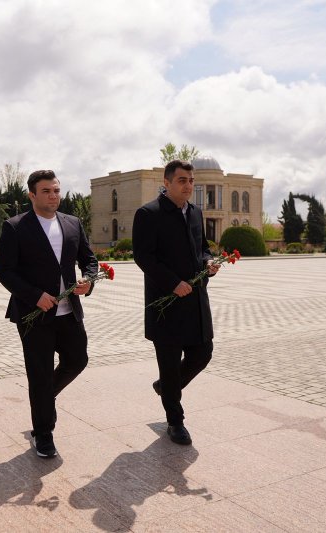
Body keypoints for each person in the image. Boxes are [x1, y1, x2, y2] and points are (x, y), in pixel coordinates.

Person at [0, 169, 98, 459]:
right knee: (39, 374)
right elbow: (4, 271)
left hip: (69, 311)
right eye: (46, 191)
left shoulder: (73, 223)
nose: (53, 196)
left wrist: (88, 281)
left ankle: (43, 397)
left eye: (56, 190)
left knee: (77, 360)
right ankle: (43, 433)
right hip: (34, 315)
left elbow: (89, 260)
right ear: (32, 195)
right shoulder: (15, 226)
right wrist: (34, 295)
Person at [132, 160, 221, 446]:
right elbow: (143, 257)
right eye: (182, 180)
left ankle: (166, 387)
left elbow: (202, 248)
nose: (188, 185)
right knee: (169, 365)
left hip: (195, 301)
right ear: (167, 182)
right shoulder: (148, 214)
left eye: (191, 180)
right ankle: (175, 421)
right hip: (166, 304)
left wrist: (208, 262)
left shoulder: (195, 212)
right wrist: (173, 282)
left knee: (203, 353)